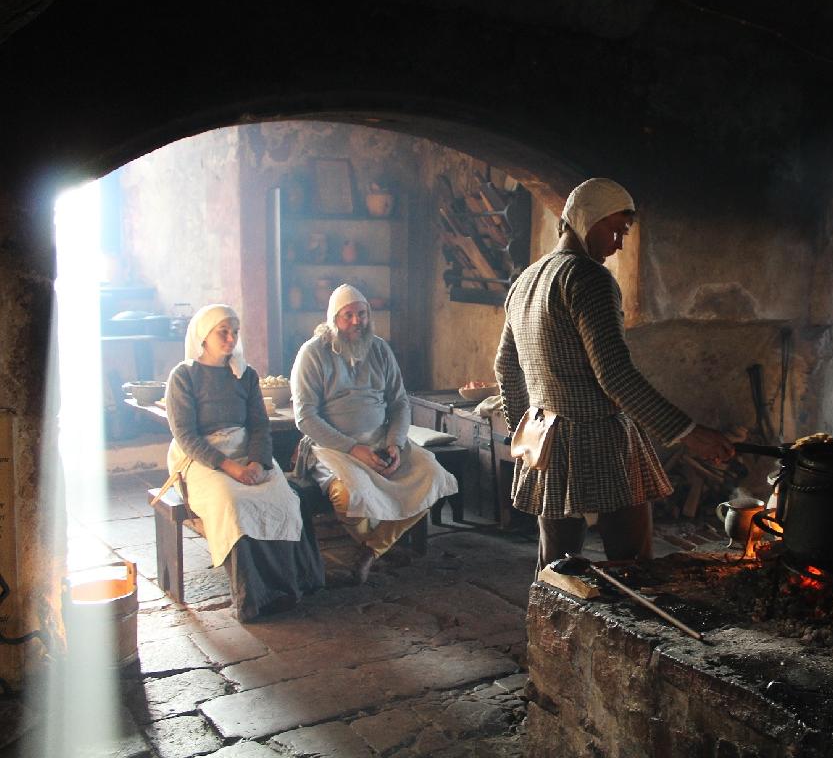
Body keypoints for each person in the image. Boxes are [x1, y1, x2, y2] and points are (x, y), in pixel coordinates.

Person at [494, 177, 736, 572]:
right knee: (632, 564)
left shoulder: (526, 280)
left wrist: (526, 437)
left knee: (555, 569)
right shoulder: (589, 278)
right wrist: (689, 433)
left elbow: (506, 367)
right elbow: (615, 374)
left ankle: (551, 613)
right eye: (615, 229)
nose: (619, 243)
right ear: (587, 219)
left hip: (548, 441)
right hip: (602, 440)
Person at [165, 304, 324, 621]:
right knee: (233, 503)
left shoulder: (245, 375)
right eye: (222, 332)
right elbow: (186, 436)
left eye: (234, 332)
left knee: (284, 499)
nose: (230, 338)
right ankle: (253, 596)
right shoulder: (183, 376)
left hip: (245, 449)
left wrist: (257, 463)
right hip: (202, 457)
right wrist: (231, 468)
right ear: (203, 336)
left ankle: (289, 586)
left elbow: (259, 426)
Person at [291, 283, 457, 584]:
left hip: (382, 440)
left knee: (433, 475)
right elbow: (306, 417)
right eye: (348, 315)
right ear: (334, 318)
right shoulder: (312, 353)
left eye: (363, 314)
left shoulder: (379, 348)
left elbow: (399, 402)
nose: (357, 321)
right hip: (335, 448)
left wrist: (395, 443)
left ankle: (370, 550)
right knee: (347, 497)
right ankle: (380, 546)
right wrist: (354, 449)